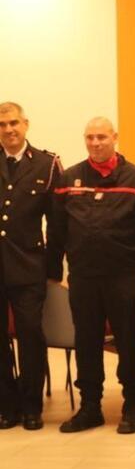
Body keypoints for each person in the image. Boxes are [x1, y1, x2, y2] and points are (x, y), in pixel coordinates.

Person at [48, 117, 135, 434]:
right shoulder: (68, 179)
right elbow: (57, 230)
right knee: (86, 340)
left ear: (115, 137)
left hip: (122, 275)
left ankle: (131, 404)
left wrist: (130, 255)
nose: (95, 143)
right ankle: (90, 406)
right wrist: (55, 268)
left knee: (127, 339)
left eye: (101, 137)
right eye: (89, 137)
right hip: (83, 276)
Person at [0, 102, 61, 430]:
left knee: (31, 335)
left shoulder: (47, 164)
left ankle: (31, 405)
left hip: (28, 267)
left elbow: (57, 222)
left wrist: (52, 269)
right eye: (2, 125)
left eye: (13, 123)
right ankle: (5, 404)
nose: (8, 130)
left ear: (25, 124)